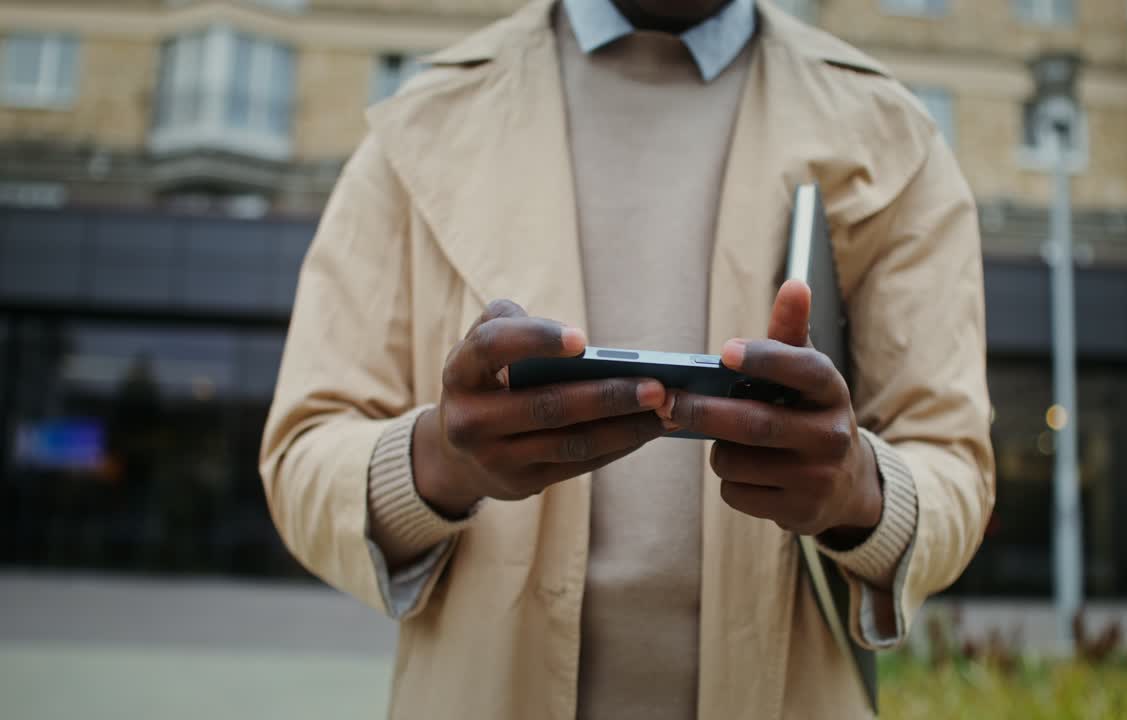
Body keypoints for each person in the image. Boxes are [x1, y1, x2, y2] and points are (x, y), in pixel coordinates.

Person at [260, 0, 994, 718]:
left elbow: (953, 461)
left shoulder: (892, 133)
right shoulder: (422, 120)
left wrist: (860, 494)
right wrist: (438, 463)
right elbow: (302, 455)